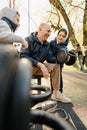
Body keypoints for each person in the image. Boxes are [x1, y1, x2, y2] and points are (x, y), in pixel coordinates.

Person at [20, 23, 71, 103]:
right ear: (40, 30)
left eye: (50, 32)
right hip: (26, 68)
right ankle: (24, 94)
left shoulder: (47, 45)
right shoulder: (28, 40)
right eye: (48, 31)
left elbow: (50, 58)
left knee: (56, 66)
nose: (49, 34)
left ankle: (56, 94)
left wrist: (63, 59)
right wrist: (40, 65)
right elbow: (23, 56)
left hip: (38, 68)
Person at [50, 28, 71, 97]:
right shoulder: (52, 43)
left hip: (59, 64)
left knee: (59, 77)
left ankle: (60, 91)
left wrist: (67, 57)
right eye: (60, 35)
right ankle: (53, 91)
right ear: (57, 35)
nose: (61, 37)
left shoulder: (64, 46)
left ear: (65, 38)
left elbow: (65, 54)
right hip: (52, 62)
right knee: (52, 78)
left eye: (63, 36)